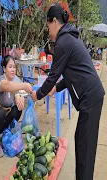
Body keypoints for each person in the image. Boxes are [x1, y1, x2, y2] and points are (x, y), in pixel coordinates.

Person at [30, 4, 105, 180]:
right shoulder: (70, 38)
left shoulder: (63, 42)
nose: (48, 31)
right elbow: (70, 74)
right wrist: (57, 87)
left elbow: (53, 75)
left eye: (48, 26)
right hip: (93, 96)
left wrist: (38, 94)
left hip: (90, 98)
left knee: (84, 147)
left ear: (54, 21)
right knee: (82, 141)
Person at [0, 55, 33, 158]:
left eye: (14, 67)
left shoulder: (13, 81)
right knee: (1, 112)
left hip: (2, 123)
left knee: (18, 109)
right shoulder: (0, 81)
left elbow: (15, 90)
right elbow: (7, 87)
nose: (13, 69)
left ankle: (7, 135)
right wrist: (24, 85)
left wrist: (19, 96)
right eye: (10, 67)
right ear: (4, 69)